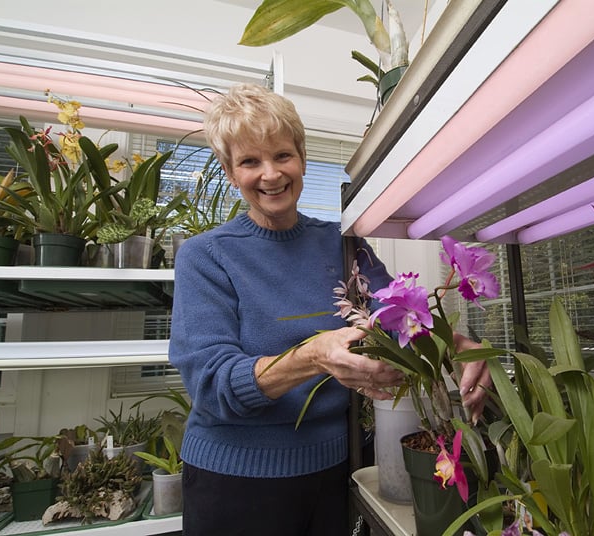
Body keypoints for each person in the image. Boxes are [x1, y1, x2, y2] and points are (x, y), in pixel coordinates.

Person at [169, 83, 491, 536]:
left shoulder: (342, 246)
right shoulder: (206, 256)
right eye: (249, 161)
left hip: (331, 475)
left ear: (301, 156)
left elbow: (398, 315)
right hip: (236, 482)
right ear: (229, 170)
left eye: (282, 155)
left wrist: (461, 348)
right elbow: (211, 383)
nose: (270, 174)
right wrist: (310, 356)